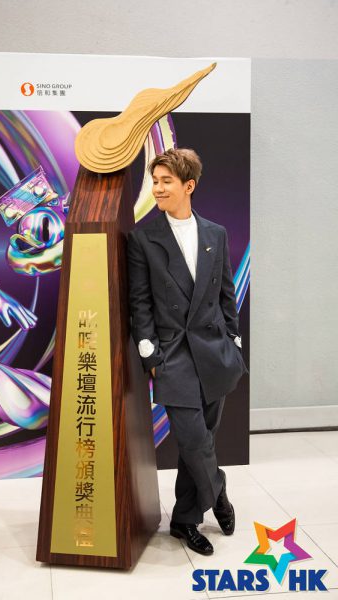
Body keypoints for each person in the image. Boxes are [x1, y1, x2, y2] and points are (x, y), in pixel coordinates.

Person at [127, 148, 248, 556]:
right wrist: (152, 357)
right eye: (155, 181)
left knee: (202, 441)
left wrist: (233, 341)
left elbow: (226, 294)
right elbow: (140, 303)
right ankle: (219, 493)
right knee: (196, 442)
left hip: (215, 353)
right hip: (173, 355)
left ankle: (184, 519)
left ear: (188, 185)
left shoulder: (215, 234)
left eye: (166, 181)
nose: (158, 189)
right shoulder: (144, 239)